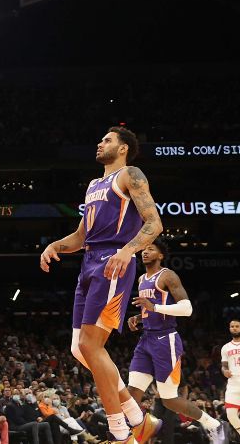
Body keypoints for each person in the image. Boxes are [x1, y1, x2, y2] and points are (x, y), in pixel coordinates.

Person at [40, 127, 164, 444]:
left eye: (107, 140)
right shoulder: (94, 185)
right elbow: (81, 237)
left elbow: (154, 223)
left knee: (91, 347)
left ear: (123, 148)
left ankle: (122, 433)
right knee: (78, 347)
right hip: (89, 262)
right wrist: (55, 245)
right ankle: (139, 419)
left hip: (113, 260)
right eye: (101, 139)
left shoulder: (130, 174)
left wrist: (127, 251)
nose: (100, 142)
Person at [124, 239, 222, 442]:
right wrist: (139, 317)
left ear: (160, 255)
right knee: (132, 391)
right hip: (146, 339)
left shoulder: (167, 275)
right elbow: (149, 308)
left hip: (165, 340)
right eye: (144, 249)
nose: (145, 252)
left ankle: (211, 423)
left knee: (169, 399)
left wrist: (154, 308)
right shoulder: (142, 279)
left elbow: (187, 309)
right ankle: (133, 435)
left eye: (151, 249)